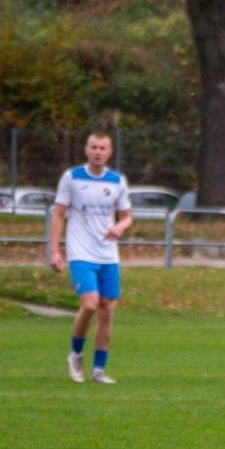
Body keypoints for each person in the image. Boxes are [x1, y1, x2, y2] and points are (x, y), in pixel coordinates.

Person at [49, 130, 132, 385]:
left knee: (106, 310)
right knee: (89, 305)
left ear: (110, 152)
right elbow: (59, 214)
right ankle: (75, 354)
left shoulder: (117, 180)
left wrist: (120, 227)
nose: (97, 152)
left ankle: (98, 370)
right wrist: (54, 250)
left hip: (108, 254)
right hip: (81, 252)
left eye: (102, 148)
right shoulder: (72, 177)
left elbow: (127, 215)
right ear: (86, 150)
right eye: (93, 147)